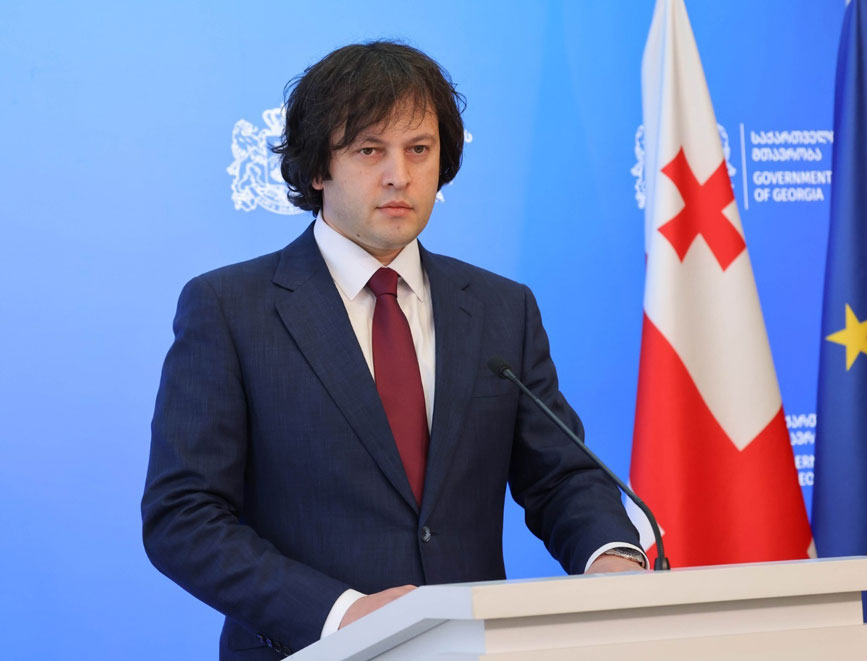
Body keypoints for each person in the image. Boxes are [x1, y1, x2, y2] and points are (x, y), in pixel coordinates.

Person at [142, 40, 645, 660]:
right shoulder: (231, 308)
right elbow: (183, 517)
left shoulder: (500, 308)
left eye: (419, 150)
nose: (399, 176)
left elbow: (560, 476)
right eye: (369, 150)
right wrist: (340, 613)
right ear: (318, 167)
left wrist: (610, 557)